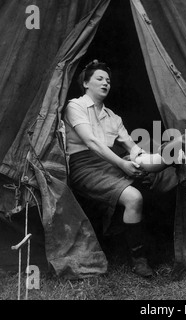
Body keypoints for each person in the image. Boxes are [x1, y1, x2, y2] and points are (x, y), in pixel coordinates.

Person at [63, 60, 168, 278]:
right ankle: (138, 259)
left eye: (108, 80)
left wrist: (141, 158)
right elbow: (91, 142)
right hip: (84, 166)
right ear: (85, 83)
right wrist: (122, 164)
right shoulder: (75, 106)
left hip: (109, 162)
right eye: (99, 79)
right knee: (134, 198)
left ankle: (173, 153)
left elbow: (132, 147)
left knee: (153, 173)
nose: (105, 83)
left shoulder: (113, 117)